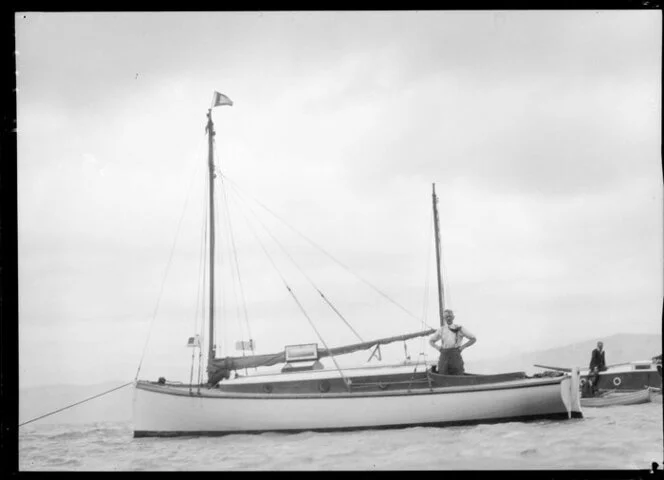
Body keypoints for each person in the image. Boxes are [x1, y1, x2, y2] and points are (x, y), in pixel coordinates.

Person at [428, 309, 476, 375]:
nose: (448, 318)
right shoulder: (441, 329)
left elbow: (473, 339)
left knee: (458, 374)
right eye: (446, 316)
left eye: (450, 316)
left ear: (453, 317)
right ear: (444, 318)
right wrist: (438, 348)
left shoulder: (459, 328)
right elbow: (431, 341)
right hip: (444, 355)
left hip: (455, 355)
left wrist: (462, 347)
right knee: (442, 374)